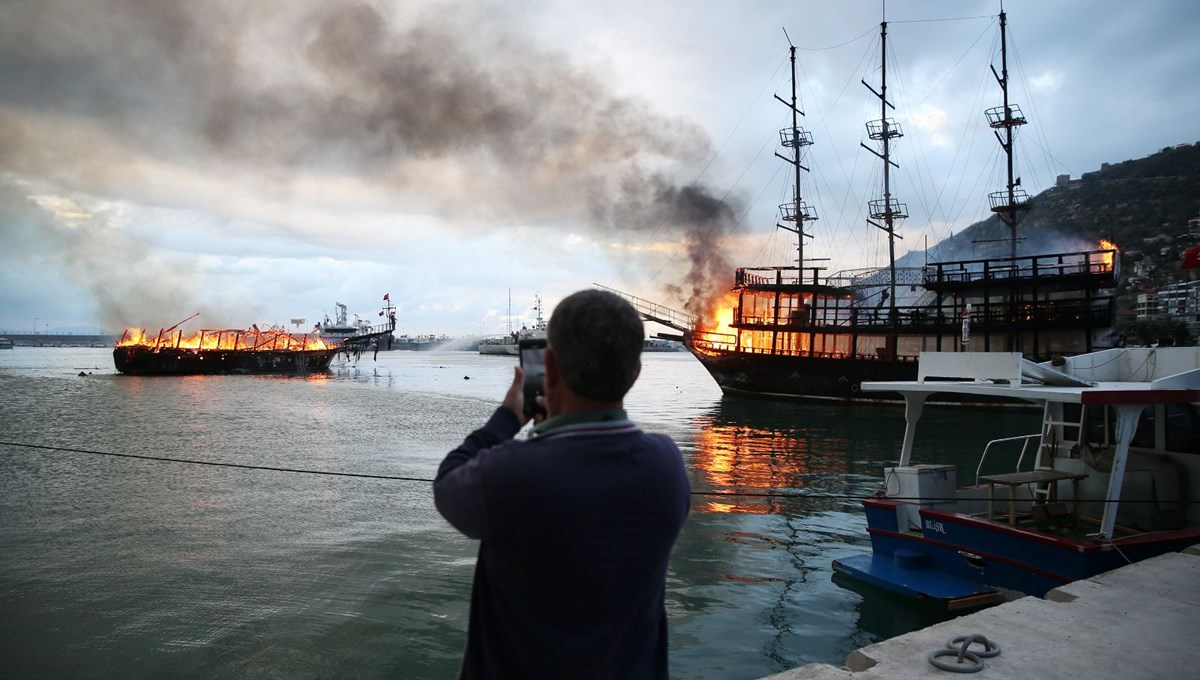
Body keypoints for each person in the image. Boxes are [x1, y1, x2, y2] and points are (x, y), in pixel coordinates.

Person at [434, 289, 691, 679]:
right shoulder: (667, 463)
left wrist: (507, 418)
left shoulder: (511, 473)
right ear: (635, 373)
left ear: (548, 369)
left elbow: (448, 485)